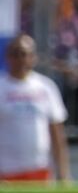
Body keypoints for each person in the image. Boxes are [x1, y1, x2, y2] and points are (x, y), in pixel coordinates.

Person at [0, 35, 70, 183]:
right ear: (7, 57)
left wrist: (63, 172)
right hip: (7, 172)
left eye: (25, 54)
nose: (20, 59)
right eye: (15, 54)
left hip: (40, 170)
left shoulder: (46, 87)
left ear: (33, 57)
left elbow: (57, 133)